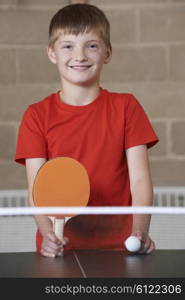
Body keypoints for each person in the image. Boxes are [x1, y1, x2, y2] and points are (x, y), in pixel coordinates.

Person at [15, 3, 159, 258]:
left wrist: (139, 231)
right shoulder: (35, 116)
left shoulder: (127, 107)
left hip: (121, 248)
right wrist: (49, 235)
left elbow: (140, 180)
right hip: (62, 251)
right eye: (68, 46)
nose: (80, 56)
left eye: (91, 45)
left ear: (107, 52)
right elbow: (37, 190)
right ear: (52, 53)